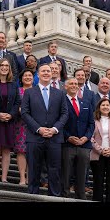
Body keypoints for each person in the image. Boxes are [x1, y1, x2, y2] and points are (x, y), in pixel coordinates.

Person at [21, 63, 69, 196]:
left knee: (54, 170)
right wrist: (38, 129)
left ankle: (54, 197)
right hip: (35, 137)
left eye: (48, 71)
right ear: (38, 74)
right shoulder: (29, 92)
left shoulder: (60, 93)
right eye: (43, 71)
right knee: (34, 170)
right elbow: (25, 113)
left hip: (54, 138)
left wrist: (54, 129)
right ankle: (33, 196)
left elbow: (65, 114)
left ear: (53, 74)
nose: (46, 73)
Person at [0, 59, 20, 182]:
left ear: (10, 69)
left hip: (9, 120)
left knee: (6, 149)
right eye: (2, 65)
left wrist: (11, 115)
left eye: (7, 66)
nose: (4, 68)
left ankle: (4, 178)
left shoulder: (13, 85)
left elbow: (17, 102)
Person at [62, 78, 94, 199]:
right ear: (65, 86)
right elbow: (58, 122)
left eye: (76, 84)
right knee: (66, 173)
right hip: (67, 144)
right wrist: (68, 137)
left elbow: (91, 124)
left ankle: (81, 197)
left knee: (82, 174)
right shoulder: (61, 102)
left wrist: (86, 137)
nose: (74, 85)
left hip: (84, 145)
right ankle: (64, 196)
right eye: (71, 83)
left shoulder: (85, 103)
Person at [90, 98, 110, 202]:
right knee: (98, 182)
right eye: (103, 105)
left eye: (107, 105)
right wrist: (100, 150)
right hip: (97, 155)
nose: (105, 107)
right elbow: (91, 138)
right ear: (99, 107)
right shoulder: (93, 121)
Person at [14, 69, 34, 185]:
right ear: (21, 79)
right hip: (20, 124)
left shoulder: (38, 91)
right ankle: (22, 177)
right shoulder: (18, 91)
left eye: (30, 75)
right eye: (25, 76)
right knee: (21, 151)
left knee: (32, 151)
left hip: (35, 125)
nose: (27, 77)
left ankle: (30, 178)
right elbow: (14, 105)